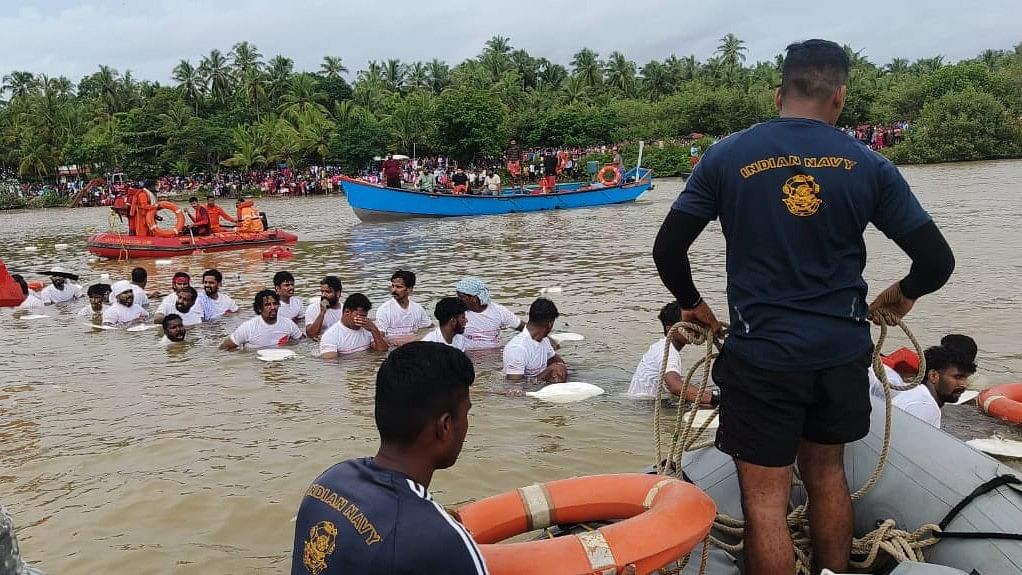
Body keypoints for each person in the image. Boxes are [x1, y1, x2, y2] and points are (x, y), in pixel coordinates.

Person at [652, 39, 955, 575]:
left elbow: (668, 250)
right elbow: (936, 260)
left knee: (766, 500)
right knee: (828, 477)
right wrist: (901, 294)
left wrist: (694, 305)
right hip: (841, 354)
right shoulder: (869, 164)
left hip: (762, 356)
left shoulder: (726, 156)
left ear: (779, 94)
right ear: (839, 97)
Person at [291, 342, 485, 575]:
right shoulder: (443, 543)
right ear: (445, 426)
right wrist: (442, 533)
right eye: (466, 413)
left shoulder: (329, 481)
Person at [873, 335, 977, 427]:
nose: (963, 384)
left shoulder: (915, 393)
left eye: (965, 378)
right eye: (957, 377)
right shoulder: (926, 407)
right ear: (933, 376)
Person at [627, 302, 718, 407]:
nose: (693, 330)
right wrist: (715, 399)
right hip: (646, 407)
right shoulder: (667, 351)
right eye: (688, 326)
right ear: (670, 329)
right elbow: (675, 386)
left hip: (645, 404)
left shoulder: (661, 346)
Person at [502, 298, 567, 390]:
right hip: (525, 392)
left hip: (537, 385)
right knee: (557, 369)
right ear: (550, 324)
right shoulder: (518, 348)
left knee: (559, 368)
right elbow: (514, 388)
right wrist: (549, 372)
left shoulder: (544, 341)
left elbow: (560, 363)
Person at [220, 290, 304, 351]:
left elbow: (303, 341)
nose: (272, 307)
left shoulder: (288, 324)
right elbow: (223, 348)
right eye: (267, 305)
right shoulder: (247, 328)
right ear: (259, 309)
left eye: (275, 304)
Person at [455, 277, 524, 350]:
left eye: (461, 297)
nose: (457, 300)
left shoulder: (499, 311)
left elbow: (526, 329)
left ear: (474, 298)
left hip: (494, 355)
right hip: (467, 356)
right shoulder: (457, 313)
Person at [319, 293, 389, 358]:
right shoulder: (330, 336)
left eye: (365, 316)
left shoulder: (368, 329)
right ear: (347, 312)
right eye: (360, 316)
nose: (363, 319)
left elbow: (382, 352)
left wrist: (374, 330)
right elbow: (330, 365)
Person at [374, 270, 433, 346]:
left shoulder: (418, 308)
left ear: (409, 289)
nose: (394, 290)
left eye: (398, 287)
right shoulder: (384, 310)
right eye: (393, 286)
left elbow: (429, 327)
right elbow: (379, 337)